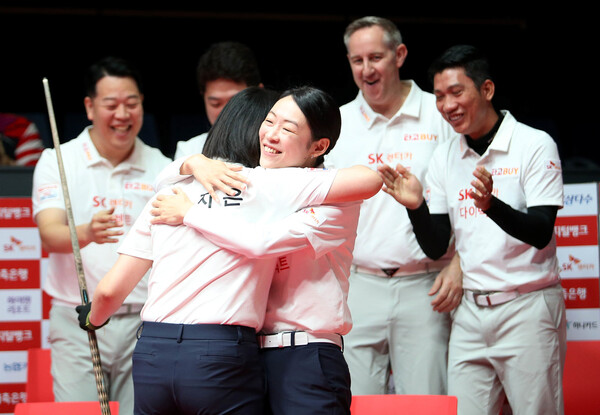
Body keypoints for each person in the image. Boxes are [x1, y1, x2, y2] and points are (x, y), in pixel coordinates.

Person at [78, 86, 382, 415]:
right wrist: (193, 164)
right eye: (269, 122)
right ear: (255, 130)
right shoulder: (263, 185)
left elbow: (110, 289)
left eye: (287, 128)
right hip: (225, 350)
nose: (272, 135)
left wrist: (93, 319)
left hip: (156, 349)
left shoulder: (172, 194)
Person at [378, 44, 566, 414]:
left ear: (487, 90)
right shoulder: (446, 155)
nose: (447, 105)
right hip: (469, 315)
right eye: (439, 96)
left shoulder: (533, 144)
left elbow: (541, 231)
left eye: (456, 92)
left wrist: (490, 206)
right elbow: (435, 248)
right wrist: (415, 206)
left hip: (527, 307)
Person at [323, 15, 462, 396]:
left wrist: (461, 263)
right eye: (357, 60)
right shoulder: (338, 124)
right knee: (352, 402)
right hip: (357, 286)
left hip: (426, 287)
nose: (366, 70)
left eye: (376, 57)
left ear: (399, 55)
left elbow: (470, 195)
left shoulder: (442, 115)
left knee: (427, 404)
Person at [31, 56, 171, 415]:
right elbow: (49, 234)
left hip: (143, 320)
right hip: (78, 318)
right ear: (90, 108)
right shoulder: (59, 160)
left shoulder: (161, 167)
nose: (123, 114)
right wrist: (88, 232)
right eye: (111, 105)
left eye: (132, 103)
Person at [174, 41, 263, 159]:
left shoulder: (279, 146)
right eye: (215, 104)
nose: (226, 113)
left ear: (259, 94)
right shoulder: (191, 151)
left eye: (235, 102)